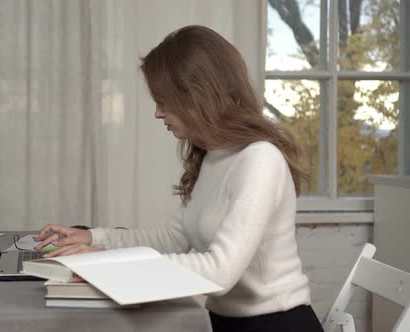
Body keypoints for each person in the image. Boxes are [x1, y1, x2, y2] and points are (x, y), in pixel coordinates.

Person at [33, 25, 323, 332]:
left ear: (197, 96)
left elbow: (220, 271)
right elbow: (174, 239)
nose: (158, 113)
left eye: (164, 100)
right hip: (224, 323)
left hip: (277, 325)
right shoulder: (214, 155)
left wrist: (107, 263)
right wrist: (94, 239)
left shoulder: (260, 159)